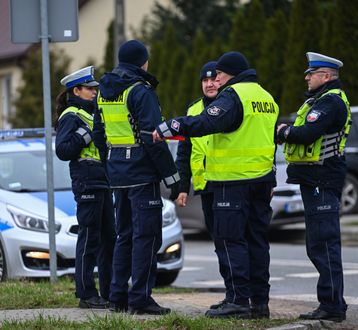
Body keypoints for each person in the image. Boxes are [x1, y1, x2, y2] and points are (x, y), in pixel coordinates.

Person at [153, 51, 279, 319]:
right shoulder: (266, 97)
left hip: (232, 182)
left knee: (230, 240)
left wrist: (171, 125)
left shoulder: (234, 96)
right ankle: (259, 303)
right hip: (260, 180)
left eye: (220, 74)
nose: (216, 79)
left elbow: (208, 122)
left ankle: (237, 301)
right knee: (256, 241)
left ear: (230, 72)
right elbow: (268, 140)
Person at [97, 39, 179, 315]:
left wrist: (112, 165)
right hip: (142, 173)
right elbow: (152, 137)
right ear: (142, 62)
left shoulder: (104, 92)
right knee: (146, 237)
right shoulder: (139, 91)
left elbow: (99, 135)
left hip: (117, 172)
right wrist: (172, 176)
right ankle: (140, 298)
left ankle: (116, 297)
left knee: (125, 236)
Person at [276, 52, 351, 322]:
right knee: (318, 243)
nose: (306, 77)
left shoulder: (330, 102)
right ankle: (330, 303)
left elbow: (307, 133)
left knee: (324, 243)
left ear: (327, 76)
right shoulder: (320, 100)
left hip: (323, 179)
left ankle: (332, 306)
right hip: (316, 179)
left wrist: (284, 132)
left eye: (312, 73)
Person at [55, 66, 116, 309]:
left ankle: (111, 291)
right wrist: (85, 136)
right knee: (89, 239)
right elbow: (63, 150)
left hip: (102, 180)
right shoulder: (71, 114)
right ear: (76, 90)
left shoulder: (92, 112)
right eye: (90, 89)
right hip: (87, 180)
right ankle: (86, 294)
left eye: (95, 89)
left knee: (109, 238)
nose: (94, 92)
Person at [171, 61, 219, 235]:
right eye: (205, 81)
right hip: (204, 186)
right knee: (217, 238)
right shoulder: (193, 109)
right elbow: (184, 153)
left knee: (231, 239)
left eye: (214, 79)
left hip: (227, 183)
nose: (209, 84)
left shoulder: (231, 105)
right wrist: (182, 188)